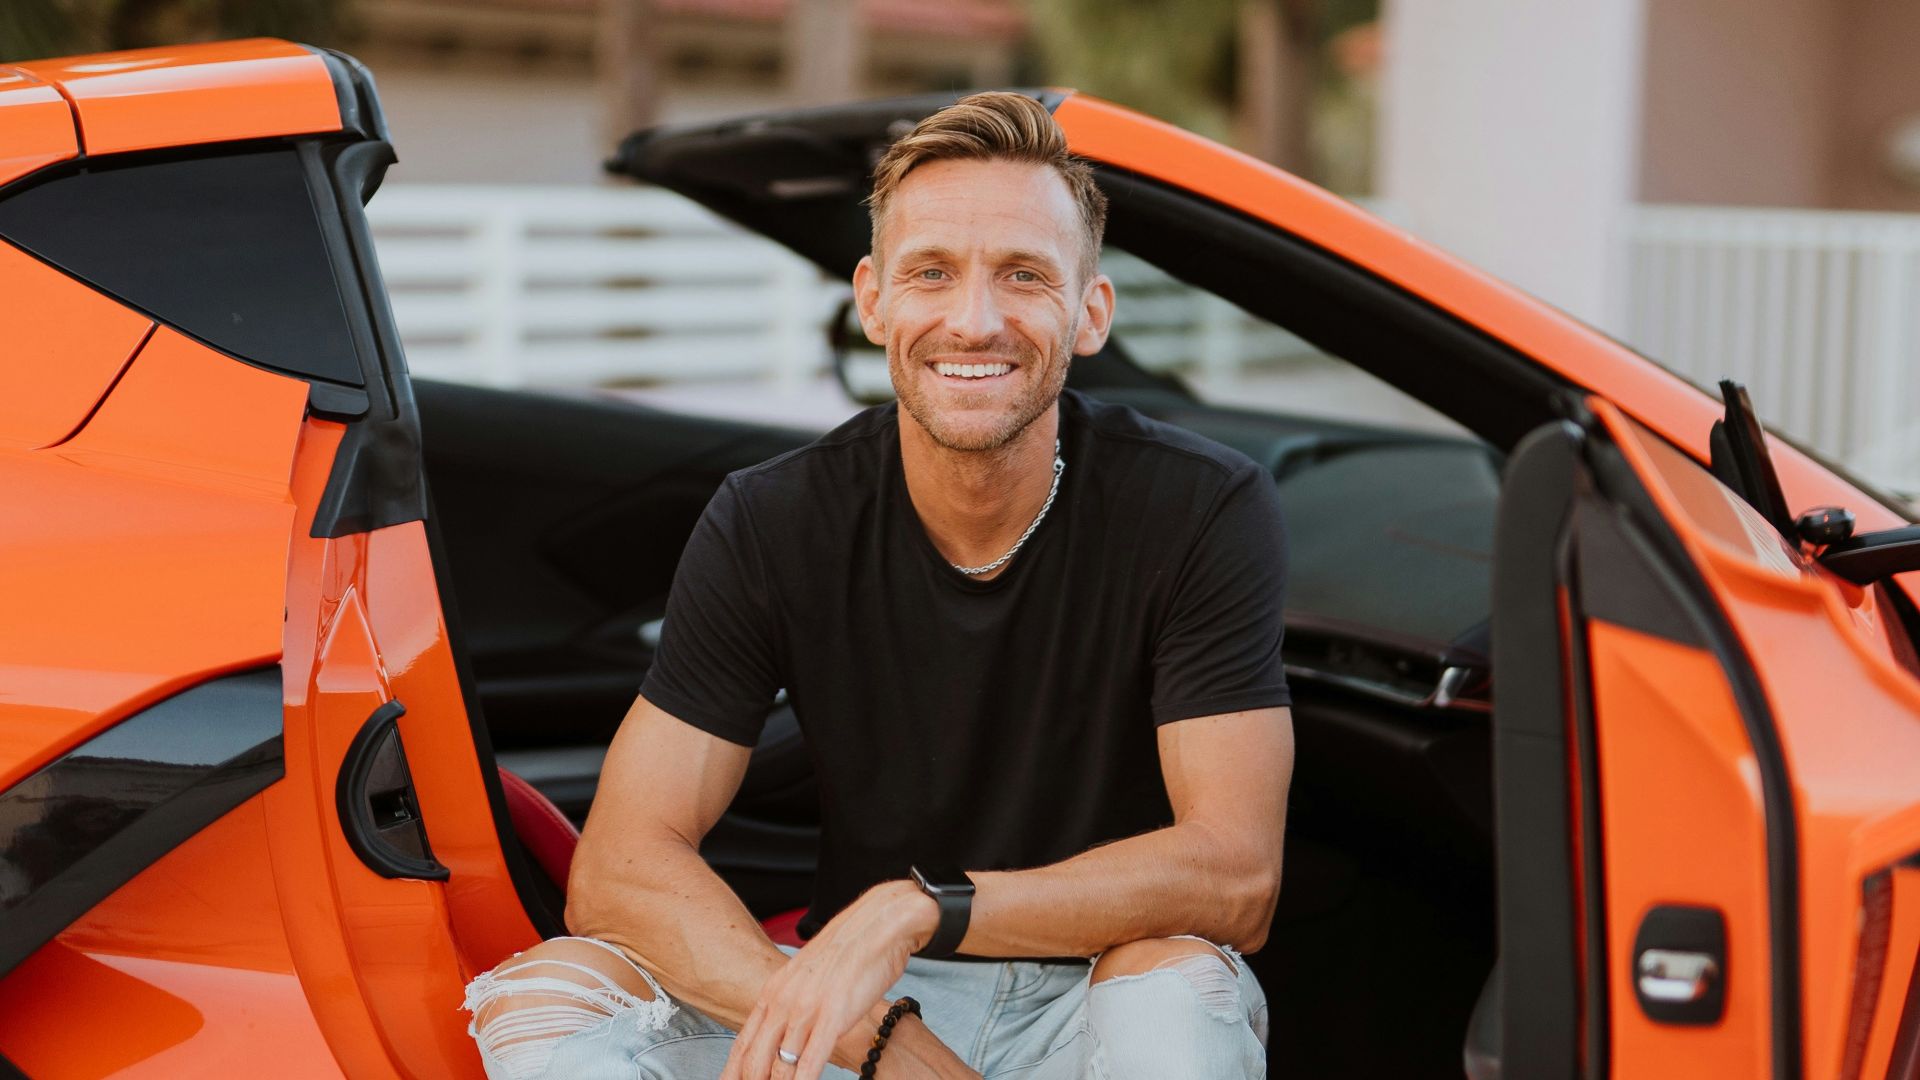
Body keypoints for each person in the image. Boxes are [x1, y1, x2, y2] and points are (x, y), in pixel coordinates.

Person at [461, 90, 1295, 1080]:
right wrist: (884, 1046)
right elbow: (619, 868)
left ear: (1090, 314)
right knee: (541, 1000)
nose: (974, 320)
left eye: (1024, 276)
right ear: (872, 300)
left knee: (1178, 987)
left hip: (1097, 990)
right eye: (931, 273)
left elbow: (1235, 874)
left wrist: (917, 907)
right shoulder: (774, 518)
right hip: (869, 1004)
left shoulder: (1199, 505)